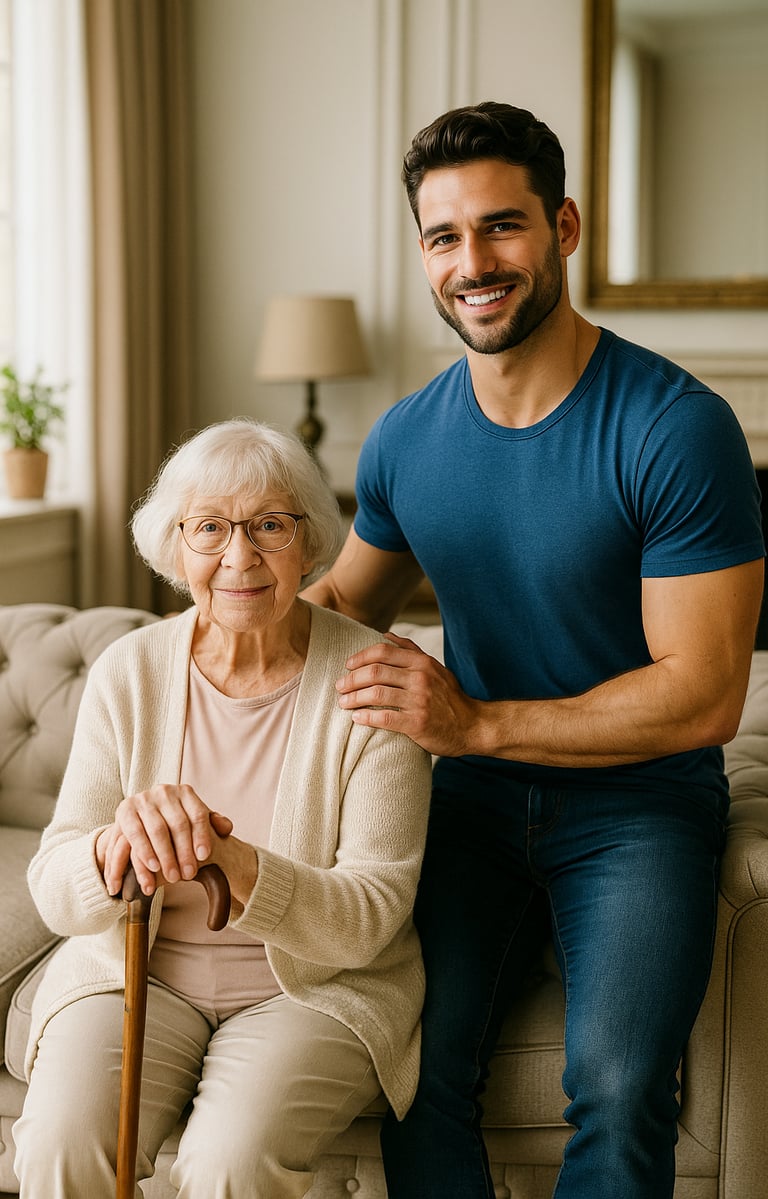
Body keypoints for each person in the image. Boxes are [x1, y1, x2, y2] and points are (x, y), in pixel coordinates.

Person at [302, 102, 766, 1198]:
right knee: (415, 1067)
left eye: (502, 228)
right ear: (423, 251)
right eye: (444, 237)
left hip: (640, 805)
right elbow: (338, 608)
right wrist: (202, 636)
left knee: (615, 1080)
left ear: (562, 227)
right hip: (466, 808)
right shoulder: (408, 436)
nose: (474, 263)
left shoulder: (674, 426)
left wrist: (470, 722)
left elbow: (703, 697)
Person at [13, 418, 432, 1199]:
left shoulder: (372, 682)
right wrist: (114, 848)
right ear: (176, 549)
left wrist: (239, 867)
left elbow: (373, 911)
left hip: (309, 988)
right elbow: (54, 879)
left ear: (310, 545)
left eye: (270, 525)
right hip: (135, 970)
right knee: (59, 1149)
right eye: (209, 528)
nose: (239, 556)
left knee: (226, 1170)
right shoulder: (129, 670)